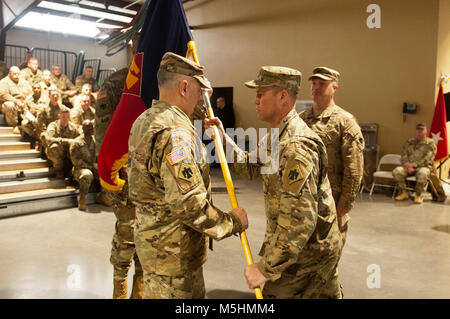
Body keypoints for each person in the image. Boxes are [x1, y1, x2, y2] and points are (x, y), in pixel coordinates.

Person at [205, 66, 343, 299]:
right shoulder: (276, 136)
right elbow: (250, 167)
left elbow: (300, 220)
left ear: (282, 97)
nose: (255, 101)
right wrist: (222, 138)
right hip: (302, 250)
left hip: (306, 256)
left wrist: (265, 268)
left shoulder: (296, 146)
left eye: (261, 94)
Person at [128, 52, 248, 299]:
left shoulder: (144, 119)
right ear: (184, 87)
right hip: (174, 258)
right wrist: (232, 222)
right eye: (199, 92)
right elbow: (190, 206)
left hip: (154, 246)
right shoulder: (177, 134)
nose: (202, 100)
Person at [95, 33, 142, 299]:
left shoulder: (162, 83)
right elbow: (103, 132)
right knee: (127, 234)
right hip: (124, 173)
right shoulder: (115, 83)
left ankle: (141, 289)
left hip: (154, 177)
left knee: (148, 237)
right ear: (134, 48)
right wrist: (113, 172)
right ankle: (120, 288)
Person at [299, 66, 364, 246]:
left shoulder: (344, 121)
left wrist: (346, 203)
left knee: (327, 258)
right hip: (303, 204)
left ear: (334, 88)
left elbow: (354, 168)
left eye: (322, 83)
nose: (316, 87)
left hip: (332, 204)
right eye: (314, 83)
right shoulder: (301, 119)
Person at [393, 123, 436, 204]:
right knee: (397, 171)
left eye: (422, 130)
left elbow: (428, 159)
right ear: (416, 131)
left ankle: (418, 195)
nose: (419, 132)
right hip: (408, 166)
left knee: (423, 173)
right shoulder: (410, 142)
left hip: (422, 167)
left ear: (425, 131)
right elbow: (404, 154)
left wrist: (414, 165)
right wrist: (407, 164)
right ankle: (403, 192)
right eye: (418, 130)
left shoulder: (430, 143)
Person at [41, 109, 80, 178]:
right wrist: (66, 141)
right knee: (54, 147)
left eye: (67, 117)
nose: (66, 119)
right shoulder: (53, 125)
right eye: (63, 117)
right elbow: (49, 139)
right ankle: (58, 170)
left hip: (68, 151)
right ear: (59, 116)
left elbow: (79, 138)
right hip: (57, 151)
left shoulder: (73, 127)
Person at [70, 120, 97, 211]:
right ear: (83, 129)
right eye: (88, 127)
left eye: (91, 127)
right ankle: (82, 199)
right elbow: (76, 161)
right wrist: (91, 166)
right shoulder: (76, 142)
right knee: (87, 174)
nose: (90, 129)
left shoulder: (96, 141)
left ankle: (104, 196)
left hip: (94, 166)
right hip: (80, 169)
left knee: (107, 172)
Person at [20, 82, 48, 147]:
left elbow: (46, 108)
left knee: (38, 122)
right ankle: (36, 138)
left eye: (38, 88)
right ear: (32, 89)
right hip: (31, 119)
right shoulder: (29, 98)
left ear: (41, 89)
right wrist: (29, 115)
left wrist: (35, 110)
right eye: (34, 88)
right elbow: (25, 110)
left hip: (43, 118)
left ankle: (42, 139)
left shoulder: (46, 98)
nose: (36, 89)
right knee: (24, 123)